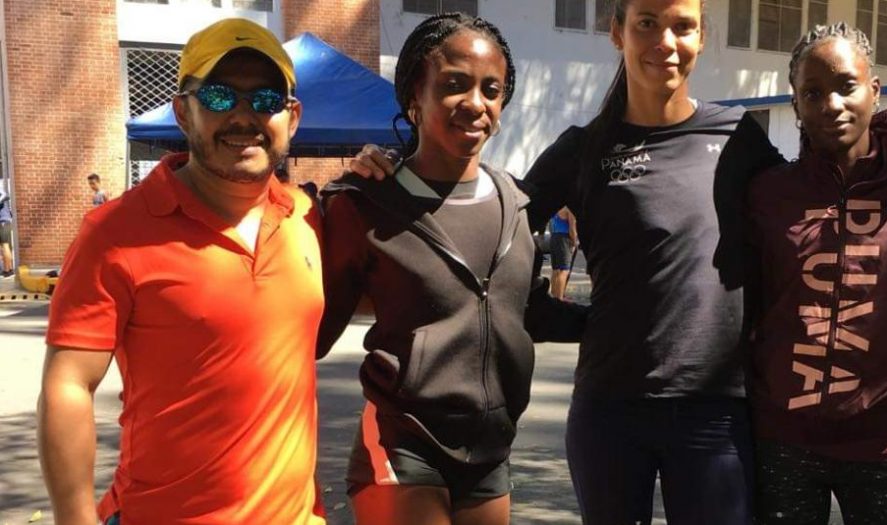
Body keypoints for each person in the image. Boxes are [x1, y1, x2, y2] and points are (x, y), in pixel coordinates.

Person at [345, 1, 887, 522]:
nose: (664, 41)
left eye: (682, 25)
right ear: (617, 31)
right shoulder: (584, 149)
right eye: (646, 22)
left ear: (700, 36)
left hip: (719, 414)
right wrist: (400, 168)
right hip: (610, 412)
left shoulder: (738, 137)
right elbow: (495, 225)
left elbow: (818, 185)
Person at [38, 18, 325, 525]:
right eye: (218, 96)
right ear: (182, 111)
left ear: (293, 117)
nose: (244, 116)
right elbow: (69, 387)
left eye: (266, 99)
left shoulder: (306, 216)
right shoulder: (115, 232)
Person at [316, 13, 582, 525]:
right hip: (402, 445)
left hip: (490, 452)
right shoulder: (364, 203)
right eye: (454, 84)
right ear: (414, 97)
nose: (476, 103)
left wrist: (619, 319)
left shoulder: (515, 203)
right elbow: (310, 330)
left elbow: (526, 313)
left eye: (492, 89)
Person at [746, 23, 887, 525]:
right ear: (795, 103)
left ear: (874, 90)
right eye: (812, 93)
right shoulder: (767, 194)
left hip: (884, 448)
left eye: (846, 86)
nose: (831, 104)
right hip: (782, 443)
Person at [548, 206, 577, 300]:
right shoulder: (569, 208)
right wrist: (575, 242)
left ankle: (553, 297)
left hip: (554, 237)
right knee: (564, 271)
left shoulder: (556, 207)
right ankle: (559, 299)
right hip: (564, 239)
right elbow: (572, 229)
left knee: (556, 270)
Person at [0, 183, 13, 278]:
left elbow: (5, 195)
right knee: (5, 246)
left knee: (5, 246)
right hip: (4, 221)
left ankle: (7, 270)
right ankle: (9, 269)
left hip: (3, 221)